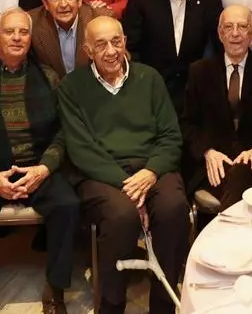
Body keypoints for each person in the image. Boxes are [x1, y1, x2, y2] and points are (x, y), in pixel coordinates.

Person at [57, 16, 188, 314]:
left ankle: (164, 304)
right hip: (102, 172)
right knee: (121, 215)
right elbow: (81, 149)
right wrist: (127, 185)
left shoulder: (149, 78)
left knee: (173, 208)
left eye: (116, 42)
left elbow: (170, 135)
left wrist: (150, 172)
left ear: (125, 42)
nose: (111, 51)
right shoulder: (72, 86)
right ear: (88, 50)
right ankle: (112, 304)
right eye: (101, 44)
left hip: (151, 167)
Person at [0, 8, 78, 314]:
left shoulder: (48, 76)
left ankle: (56, 290)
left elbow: (63, 132)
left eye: (23, 32)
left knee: (68, 205)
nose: (17, 38)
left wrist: (43, 169)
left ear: (30, 38)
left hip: (36, 167)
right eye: (9, 31)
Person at [181, 5, 252, 207]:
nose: (235, 33)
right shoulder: (199, 71)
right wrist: (207, 152)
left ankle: (225, 224)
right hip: (215, 160)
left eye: (242, 27)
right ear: (220, 33)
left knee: (242, 172)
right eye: (228, 27)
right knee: (236, 180)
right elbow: (188, 124)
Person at [122, 0, 223, 112]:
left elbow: (218, 42)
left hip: (194, 90)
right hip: (150, 87)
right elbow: (130, 46)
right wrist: (142, 81)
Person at [28, 0, 113, 78]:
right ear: (45, 3)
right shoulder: (31, 23)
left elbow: (120, 60)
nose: (63, 4)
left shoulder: (101, 19)